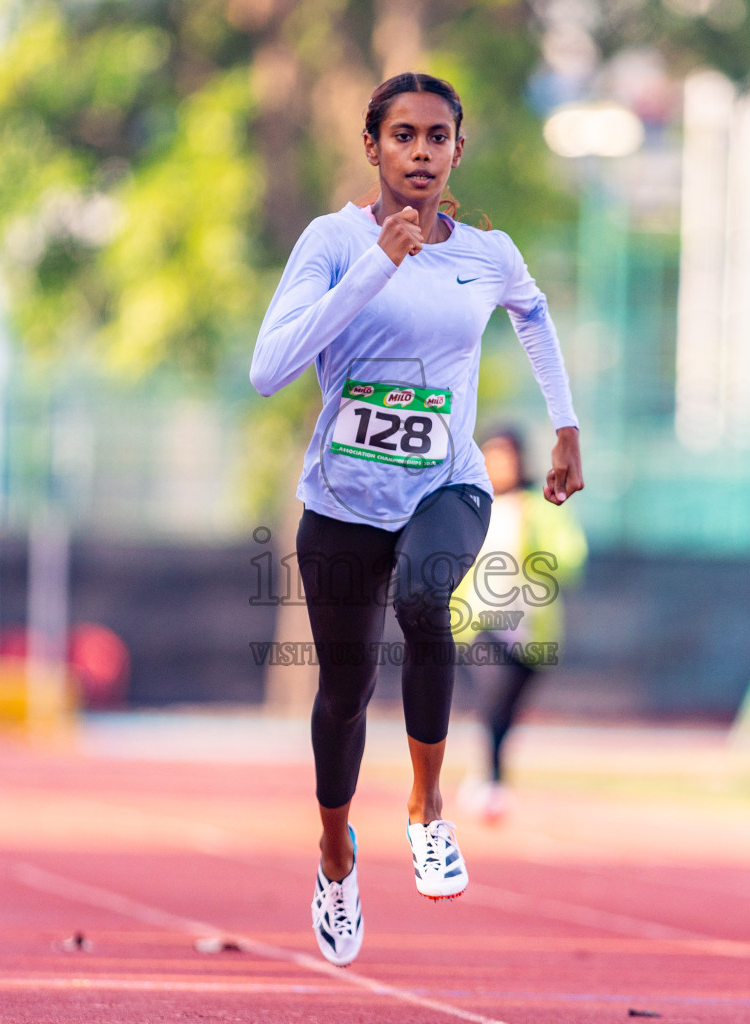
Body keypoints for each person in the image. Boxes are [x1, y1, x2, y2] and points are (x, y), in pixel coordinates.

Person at [250, 71, 583, 968]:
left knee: (427, 602)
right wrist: (376, 265)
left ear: (457, 151)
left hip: (447, 483)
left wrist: (566, 424)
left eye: (439, 137)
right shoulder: (331, 243)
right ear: (374, 148)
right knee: (345, 692)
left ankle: (428, 810)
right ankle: (334, 855)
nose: (422, 153)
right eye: (405, 136)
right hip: (342, 501)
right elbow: (269, 369)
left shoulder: (487, 252)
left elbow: (535, 312)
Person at [452, 427, 587, 823]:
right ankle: (492, 781)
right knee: (493, 692)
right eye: (491, 457)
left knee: (506, 708)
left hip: (530, 632)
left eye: (506, 457)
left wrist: (537, 540)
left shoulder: (540, 508)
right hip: (477, 624)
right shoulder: (467, 505)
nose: (499, 466)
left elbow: (571, 561)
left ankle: (485, 769)